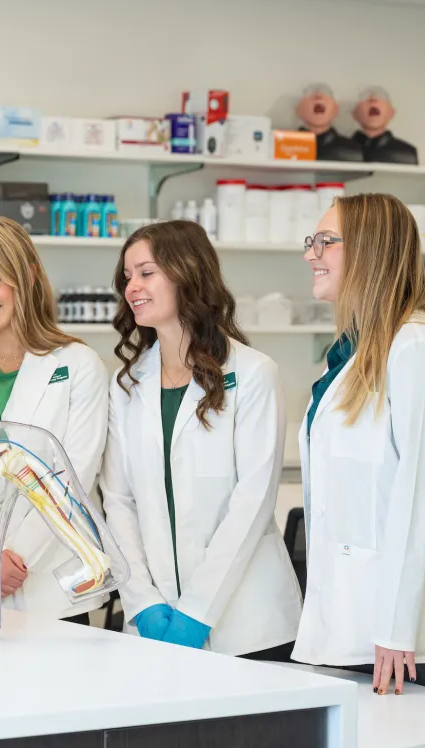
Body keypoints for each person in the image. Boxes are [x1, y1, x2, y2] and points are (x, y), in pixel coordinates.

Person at [101, 220, 302, 658]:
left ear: (187, 272)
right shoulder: (126, 384)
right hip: (155, 622)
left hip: (248, 626)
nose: (131, 286)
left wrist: (196, 612)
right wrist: (143, 602)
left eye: (146, 272)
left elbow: (252, 503)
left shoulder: (252, 373)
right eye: (127, 276)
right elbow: (118, 501)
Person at [0, 216, 108, 624]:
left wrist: (14, 557)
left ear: (26, 277)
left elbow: (72, 478)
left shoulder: (77, 365)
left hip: (48, 584)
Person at [295, 193, 425, 694]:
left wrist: (396, 626)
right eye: (312, 241)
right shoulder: (347, 352)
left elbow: (415, 495)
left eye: (326, 241)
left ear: (371, 251)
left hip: (394, 640)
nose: (312, 253)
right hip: (346, 619)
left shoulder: (410, 347)